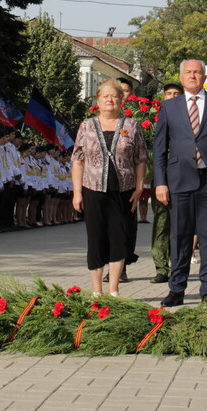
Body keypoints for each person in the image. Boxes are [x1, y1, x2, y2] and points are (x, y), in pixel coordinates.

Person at [154, 59, 207, 307]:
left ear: (204, 77)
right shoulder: (169, 108)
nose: (192, 76)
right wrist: (160, 182)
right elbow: (160, 148)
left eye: (197, 72)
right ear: (181, 77)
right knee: (179, 237)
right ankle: (176, 289)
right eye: (188, 72)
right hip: (178, 181)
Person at [72, 80, 146, 296]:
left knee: (119, 236)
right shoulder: (86, 126)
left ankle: (113, 289)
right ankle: (96, 290)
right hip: (93, 189)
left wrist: (139, 188)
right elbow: (78, 160)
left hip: (124, 190)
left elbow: (141, 158)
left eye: (114, 96)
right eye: (105, 96)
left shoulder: (131, 126)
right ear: (98, 100)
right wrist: (77, 192)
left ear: (121, 100)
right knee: (96, 238)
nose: (110, 100)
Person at [149, 82, 183, 284]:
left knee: (180, 226)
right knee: (161, 224)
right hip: (161, 180)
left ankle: (178, 265)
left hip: (183, 180)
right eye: (168, 93)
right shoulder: (154, 121)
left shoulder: (189, 118)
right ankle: (161, 267)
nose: (172, 96)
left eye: (176, 93)